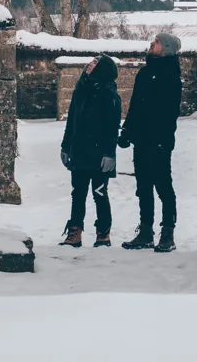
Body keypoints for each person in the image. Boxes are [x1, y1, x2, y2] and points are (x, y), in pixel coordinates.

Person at [118, 33, 182, 253]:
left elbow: (170, 113)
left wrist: (162, 140)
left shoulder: (171, 75)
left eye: (155, 42)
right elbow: (136, 105)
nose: (151, 44)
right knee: (143, 186)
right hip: (142, 140)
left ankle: (167, 233)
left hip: (160, 141)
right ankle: (146, 232)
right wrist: (127, 130)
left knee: (163, 185)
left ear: (164, 49)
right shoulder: (144, 74)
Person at [59, 55, 122, 248]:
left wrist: (110, 153)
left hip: (99, 152)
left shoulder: (109, 93)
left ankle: (103, 233)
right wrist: (65, 146)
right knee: (78, 192)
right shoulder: (81, 89)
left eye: (95, 63)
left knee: (99, 192)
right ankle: (74, 232)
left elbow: (112, 127)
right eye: (91, 62)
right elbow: (72, 121)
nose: (90, 65)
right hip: (79, 149)